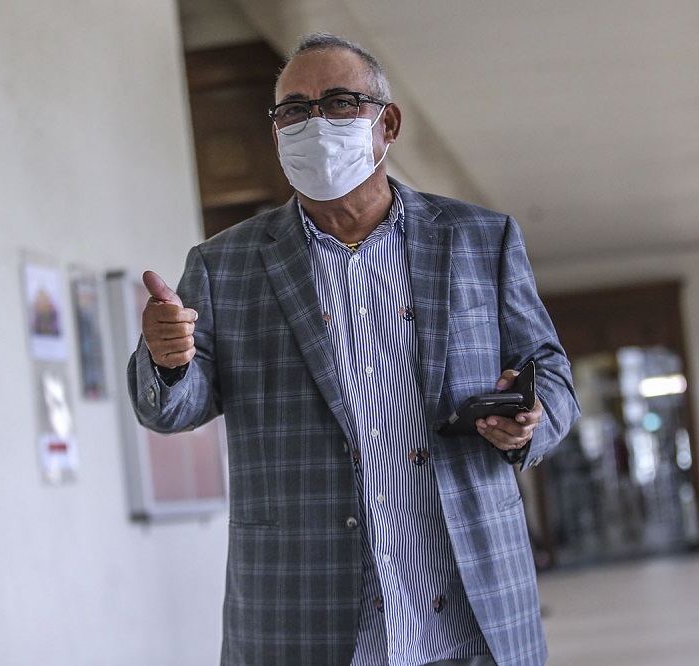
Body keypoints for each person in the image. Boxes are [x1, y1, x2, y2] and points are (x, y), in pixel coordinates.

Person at [128, 32, 579, 666]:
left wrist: (530, 421)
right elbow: (170, 409)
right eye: (294, 110)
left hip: (468, 609)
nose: (315, 124)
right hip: (305, 611)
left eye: (339, 102)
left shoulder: (480, 239)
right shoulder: (225, 263)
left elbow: (551, 371)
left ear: (386, 122)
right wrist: (167, 362)